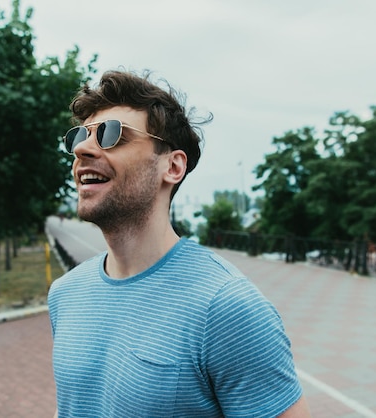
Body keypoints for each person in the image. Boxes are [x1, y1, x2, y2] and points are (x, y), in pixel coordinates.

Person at [48, 70, 311, 418]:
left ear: (172, 166)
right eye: (79, 136)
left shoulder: (227, 309)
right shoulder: (65, 294)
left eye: (111, 135)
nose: (82, 148)